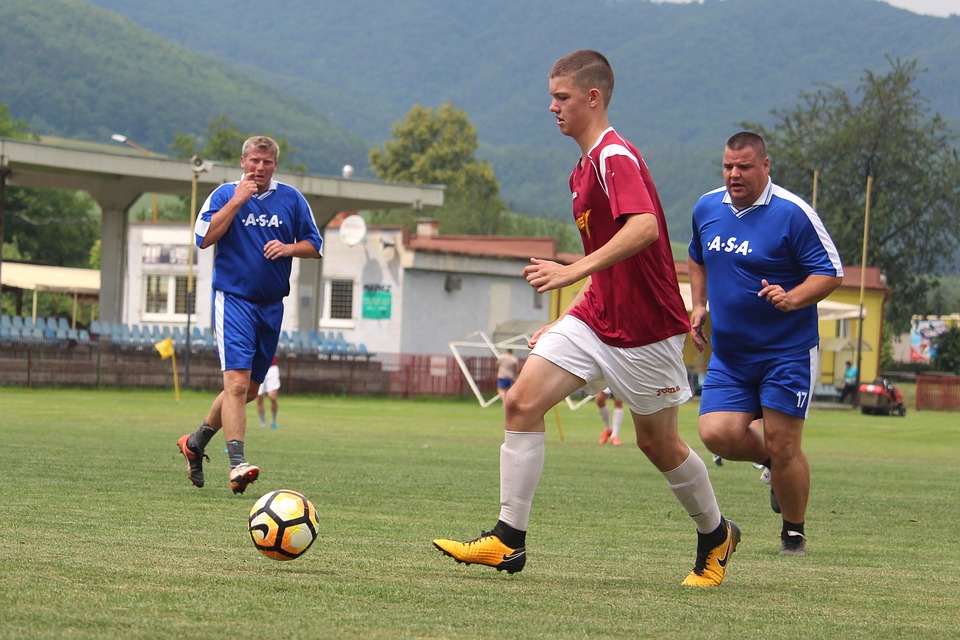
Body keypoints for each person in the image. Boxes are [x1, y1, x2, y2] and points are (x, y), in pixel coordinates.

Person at [433, 50, 739, 587]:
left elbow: (645, 229)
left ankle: (716, 536)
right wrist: (571, 314)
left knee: (657, 444)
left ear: (592, 98)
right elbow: (612, 262)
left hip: (647, 330)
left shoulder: (613, 156)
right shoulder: (581, 170)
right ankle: (508, 540)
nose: (552, 107)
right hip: (599, 317)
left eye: (562, 97)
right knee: (521, 400)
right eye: (552, 96)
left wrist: (573, 271)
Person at [688, 131, 843, 557]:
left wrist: (793, 298)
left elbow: (831, 272)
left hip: (786, 352)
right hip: (731, 354)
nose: (734, 174)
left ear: (765, 166)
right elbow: (697, 257)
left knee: (784, 441)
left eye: (744, 166)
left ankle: (793, 533)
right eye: (728, 166)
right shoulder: (706, 207)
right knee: (715, 433)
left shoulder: (793, 213)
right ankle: (775, 465)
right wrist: (698, 305)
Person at [176, 136, 323, 494]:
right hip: (234, 300)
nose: (260, 168)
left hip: (272, 306)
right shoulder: (224, 194)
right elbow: (204, 237)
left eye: (267, 162)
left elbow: (315, 245)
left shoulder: (291, 199)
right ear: (242, 161)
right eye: (254, 161)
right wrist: (238, 201)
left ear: (275, 164)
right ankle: (237, 464)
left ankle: (195, 443)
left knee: (249, 391)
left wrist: (290, 247)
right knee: (237, 384)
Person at [257, 354, 281, 429]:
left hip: (272, 367)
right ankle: (263, 422)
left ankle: (274, 421)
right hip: (258, 366)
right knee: (259, 398)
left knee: (272, 397)